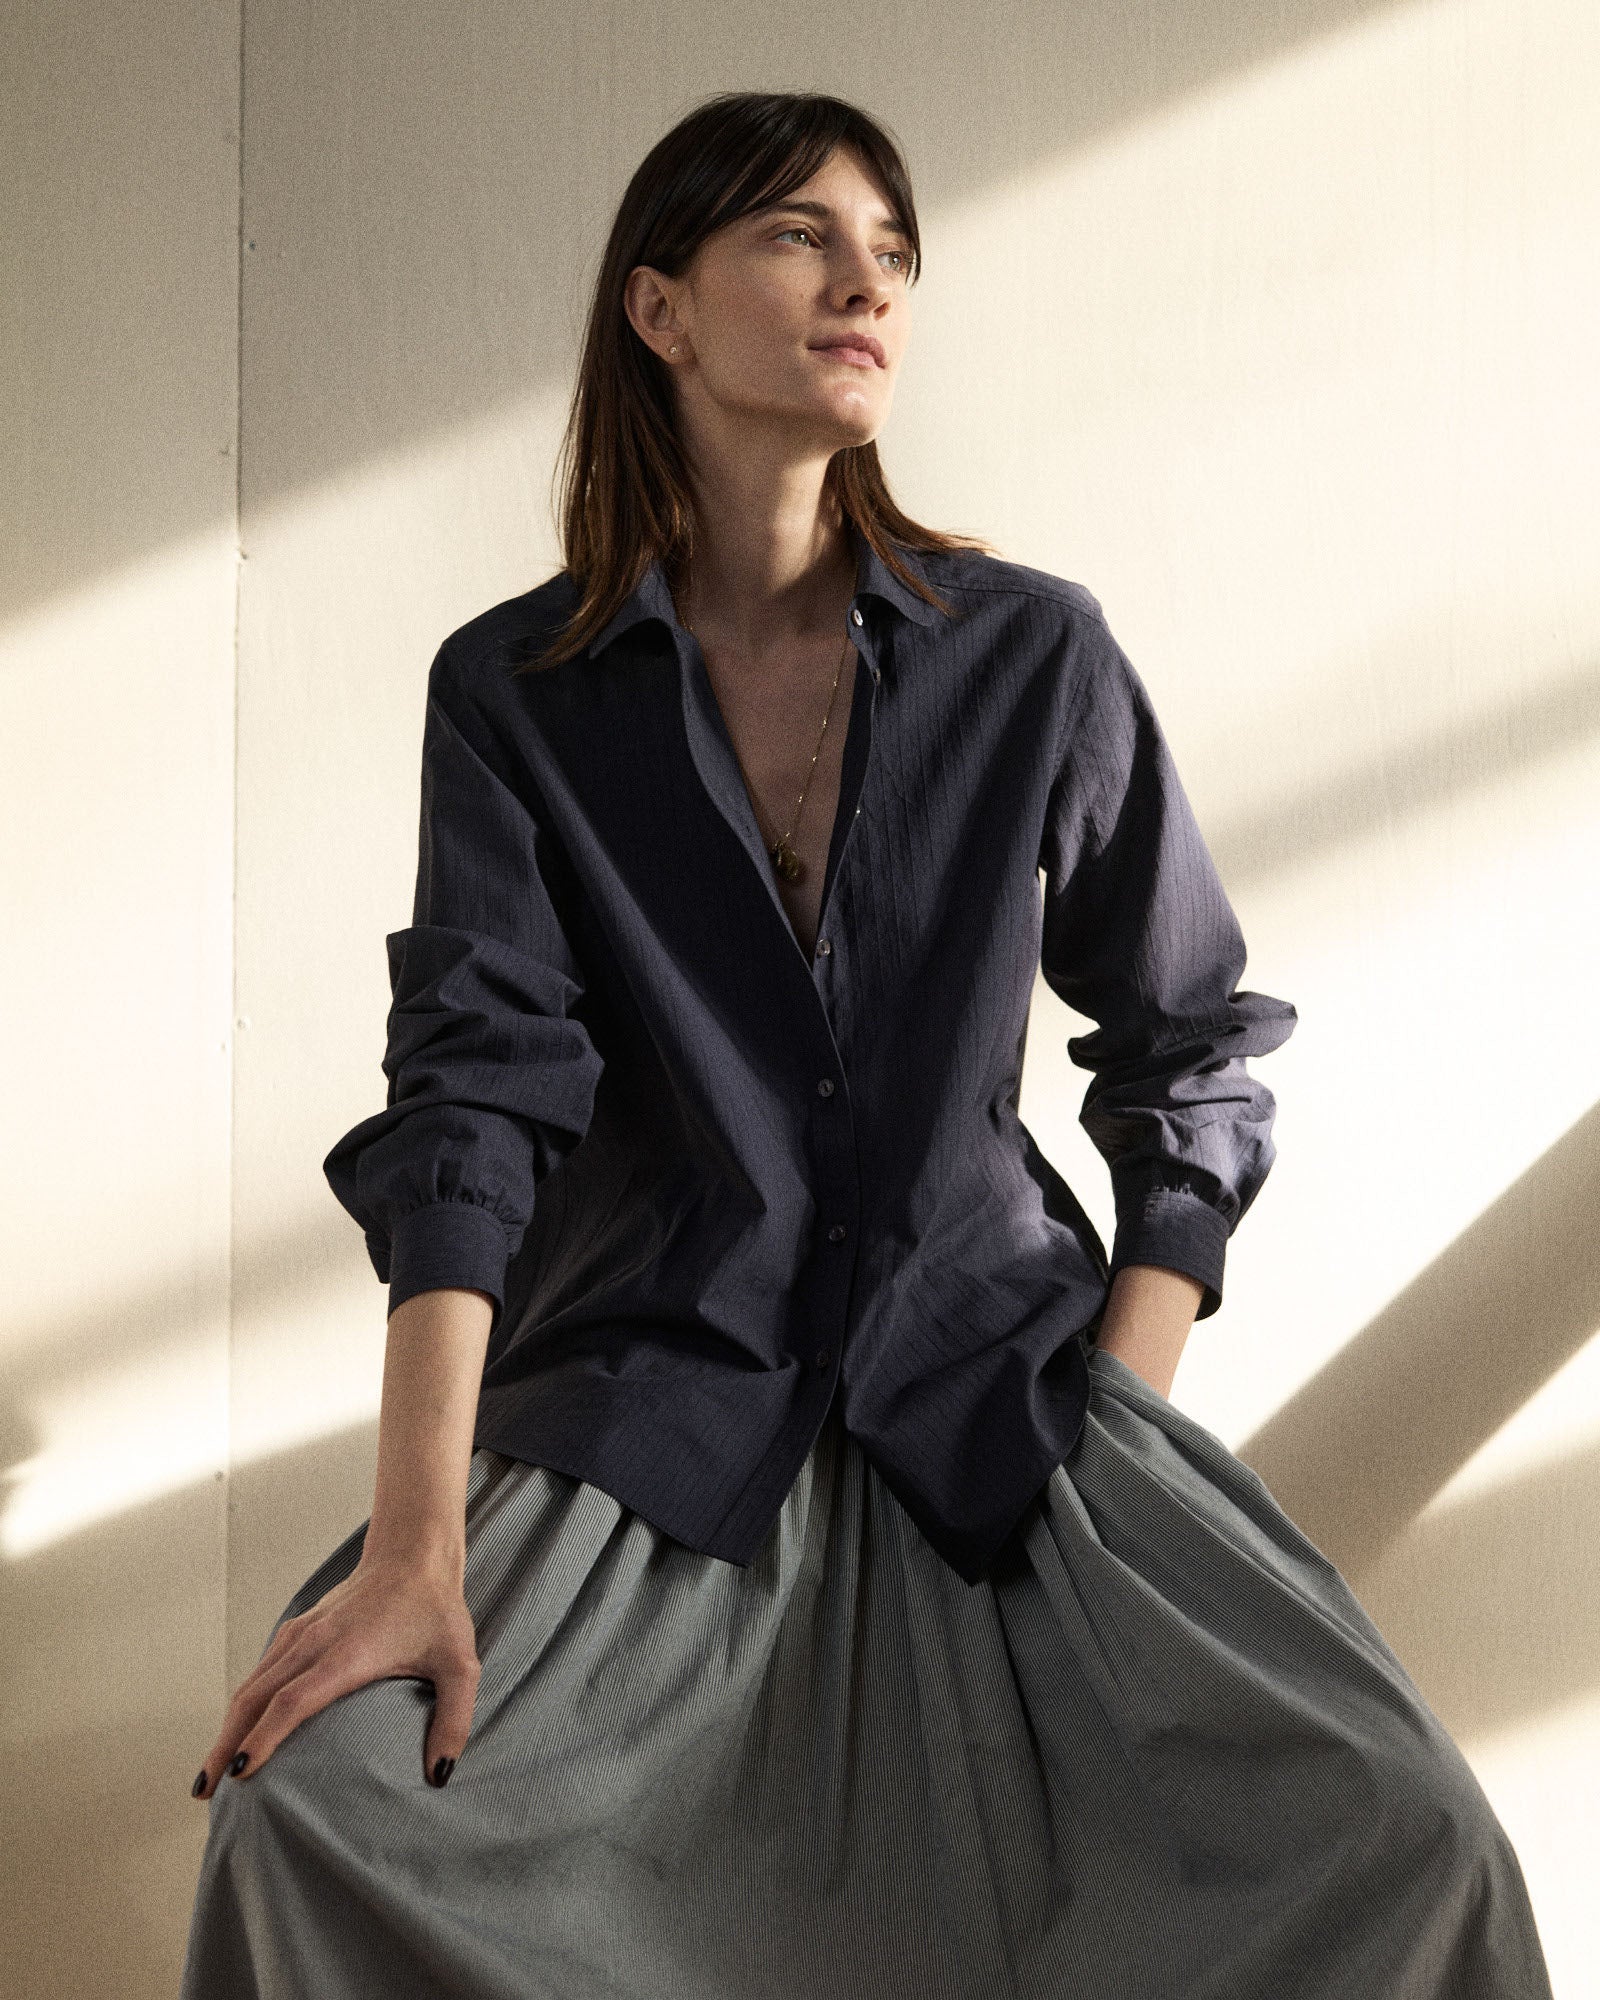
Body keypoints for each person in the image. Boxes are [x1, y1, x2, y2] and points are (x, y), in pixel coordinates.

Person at [179, 89, 1553, 1999]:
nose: (868, 285)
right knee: (312, 1823)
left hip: (1007, 1399)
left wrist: (1122, 1421)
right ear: (658, 312)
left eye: (893, 251)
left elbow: (1193, 1049)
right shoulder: (517, 694)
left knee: (1406, 1834)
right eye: (800, 238)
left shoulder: (1034, 657)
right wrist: (413, 1547)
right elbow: (468, 1109)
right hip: (650, 1417)